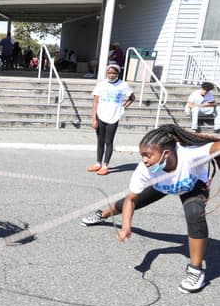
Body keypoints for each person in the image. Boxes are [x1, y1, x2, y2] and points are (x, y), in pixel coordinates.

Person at [80, 124, 220, 293]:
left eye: (148, 155)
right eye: (142, 155)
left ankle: (196, 271)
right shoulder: (144, 169)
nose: (144, 160)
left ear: (166, 153)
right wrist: (126, 227)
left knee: (195, 215)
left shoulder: (190, 155)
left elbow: (216, 146)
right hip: (162, 186)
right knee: (122, 204)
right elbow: (130, 200)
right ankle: (101, 214)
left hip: (192, 187)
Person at [87, 64, 135, 175]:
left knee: (109, 142)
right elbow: (95, 102)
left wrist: (123, 107)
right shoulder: (101, 84)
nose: (112, 75)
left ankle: (105, 166)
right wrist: (94, 118)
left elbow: (132, 98)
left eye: (114, 73)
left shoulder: (123, 85)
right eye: (109, 73)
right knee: (100, 141)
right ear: (106, 73)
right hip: (100, 116)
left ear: (118, 73)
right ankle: (98, 163)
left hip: (113, 117)